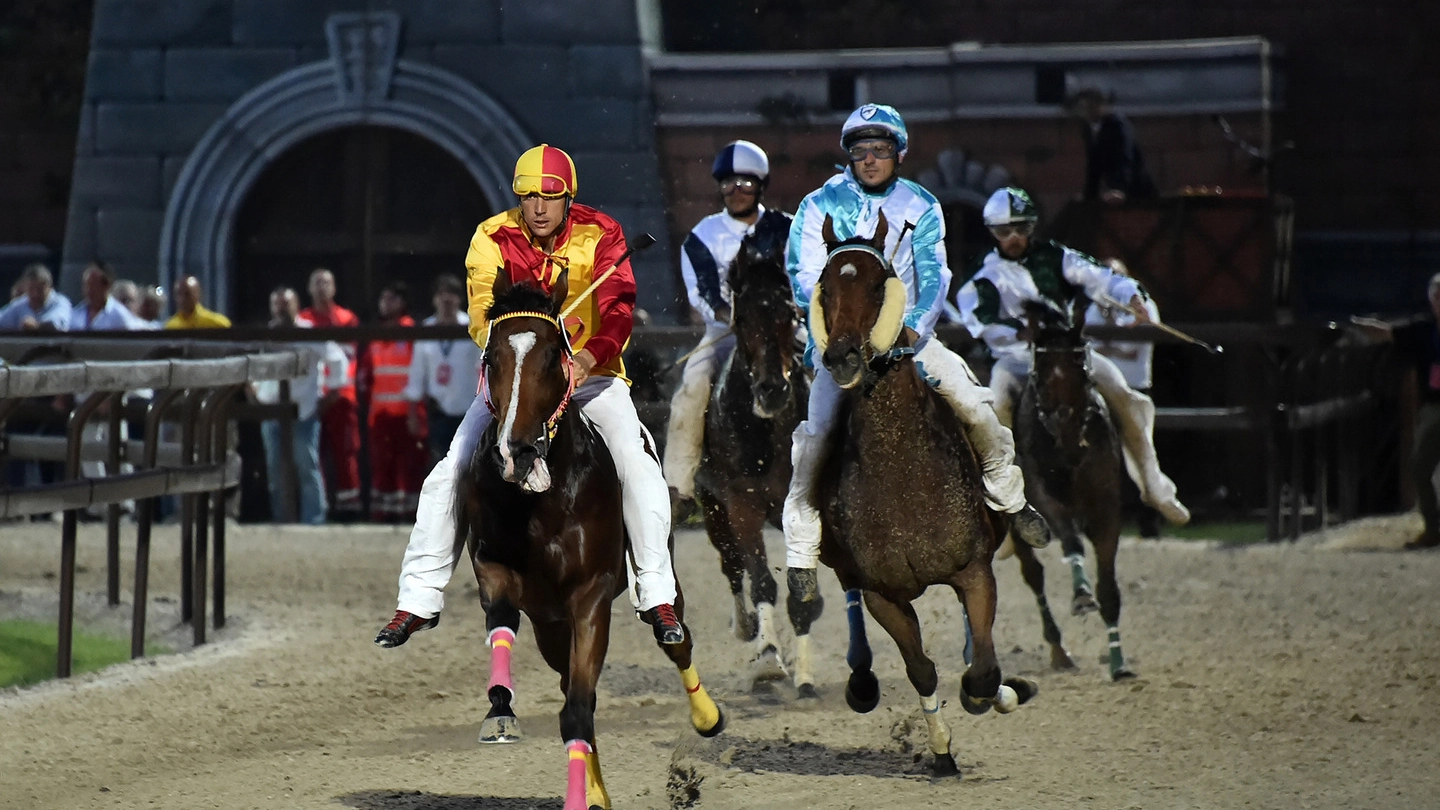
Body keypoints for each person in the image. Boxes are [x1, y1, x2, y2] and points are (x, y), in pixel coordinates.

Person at [375, 144, 685, 648]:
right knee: (451, 467)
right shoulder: (491, 238)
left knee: (636, 461)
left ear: (569, 197)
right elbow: (481, 315)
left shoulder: (603, 233)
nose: (538, 207)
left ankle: (656, 594)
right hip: (518, 382)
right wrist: (525, 358)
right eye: (528, 196)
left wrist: (586, 357)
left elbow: (620, 308)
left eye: (550, 195)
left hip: (594, 377)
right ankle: (418, 599)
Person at [783, 104, 1053, 597]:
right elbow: (803, 275)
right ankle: (801, 552)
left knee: (975, 407)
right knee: (816, 435)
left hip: (909, 340)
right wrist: (831, 334)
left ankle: (1011, 500)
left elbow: (935, 275)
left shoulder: (923, 205)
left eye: (880, 150)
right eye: (860, 151)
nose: (869, 160)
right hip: (840, 344)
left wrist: (910, 329)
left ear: (899, 154)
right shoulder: (817, 204)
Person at [954, 186, 1190, 526]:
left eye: (1021, 228)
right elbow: (978, 318)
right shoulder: (983, 272)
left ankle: (1154, 485)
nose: (1015, 237)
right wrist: (1017, 332)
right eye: (1005, 231)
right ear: (993, 233)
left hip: (1067, 353)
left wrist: (1132, 295)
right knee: (997, 409)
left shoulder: (1057, 257)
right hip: (1016, 358)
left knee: (1124, 396)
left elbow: (1102, 278)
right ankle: (1000, 507)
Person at [663, 139, 794, 512]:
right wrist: (734, 318)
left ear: (760, 186)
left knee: (825, 375)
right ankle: (679, 486)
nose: (736, 191)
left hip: (785, 326)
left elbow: (803, 278)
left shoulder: (787, 228)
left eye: (746, 183)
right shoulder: (702, 237)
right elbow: (702, 294)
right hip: (728, 329)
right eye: (728, 184)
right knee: (693, 386)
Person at [1351, 273, 1440, 549]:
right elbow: (1387, 333)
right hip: (1435, 407)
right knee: (1420, 466)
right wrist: (1357, 324)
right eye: (1437, 296)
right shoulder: (1424, 331)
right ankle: (1433, 528)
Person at [253, 287, 349, 525]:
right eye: (277, 304)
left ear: (297, 305)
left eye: (286, 304)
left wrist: (332, 394)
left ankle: (314, 521)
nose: (281, 309)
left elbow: (338, 361)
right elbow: (251, 366)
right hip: (271, 412)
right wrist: (253, 392)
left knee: (307, 468)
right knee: (275, 472)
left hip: (303, 412)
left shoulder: (311, 334)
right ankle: (282, 520)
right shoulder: (264, 336)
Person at [1084, 258, 1164, 538]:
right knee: (1098, 454)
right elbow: (1091, 350)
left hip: (1134, 387)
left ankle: (1149, 523)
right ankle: (1103, 522)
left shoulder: (1143, 307)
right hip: (1101, 390)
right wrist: (1108, 335)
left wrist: (1108, 346)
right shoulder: (1093, 310)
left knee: (1140, 453)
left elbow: (1130, 350)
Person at [300, 268, 363, 520]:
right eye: (317, 283)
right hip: (312, 396)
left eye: (326, 283)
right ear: (309, 288)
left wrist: (335, 391)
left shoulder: (347, 319)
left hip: (341, 396)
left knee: (345, 453)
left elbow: (349, 358)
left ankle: (349, 510)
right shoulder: (303, 320)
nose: (322, 288)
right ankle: (319, 509)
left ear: (335, 288)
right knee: (312, 455)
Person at [363, 281, 427, 523]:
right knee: (382, 469)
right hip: (380, 415)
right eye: (383, 299)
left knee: (410, 468)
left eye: (391, 299)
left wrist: (415, 413)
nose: (386, 304)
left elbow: (419, 374)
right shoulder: (375, 335)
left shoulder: (412, 332)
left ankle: (410, 516)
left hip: (407, 414)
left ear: (402, 303)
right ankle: (382, 516)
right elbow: (368, 376)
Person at [404, 274, 480, 466]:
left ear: (459, 299)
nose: (447, 300)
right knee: (440, 463)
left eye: (451, 295)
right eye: (442, 294)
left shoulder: (472, 327)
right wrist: (413, 412)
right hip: (438, 410)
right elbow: (417, 371)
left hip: (468, 410)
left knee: (468, 464)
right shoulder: (426, 329)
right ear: (434, 299)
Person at [1067, 86, 1158, 203]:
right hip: (1113, 192)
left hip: (1137, 190)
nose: (1087, 112)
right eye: (1084, 108)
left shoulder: (1117, 125)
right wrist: (1089, 195)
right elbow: (1093, 165)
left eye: (1091, 107)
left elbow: (1125, 158)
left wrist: (1119, 189)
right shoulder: (1089, 130)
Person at [0, 263, 71, 331]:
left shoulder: (61, 302)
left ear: (49, 287)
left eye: (40, 290)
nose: (35, 294)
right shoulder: (20, 304)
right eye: (31, 289)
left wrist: (36, 326)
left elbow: (56, 324)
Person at [164, 276, 231, 329]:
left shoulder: (216, 323)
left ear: (198, 295)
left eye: (187, 294)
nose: (182, 299)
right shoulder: (171, 326)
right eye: (179, 294)